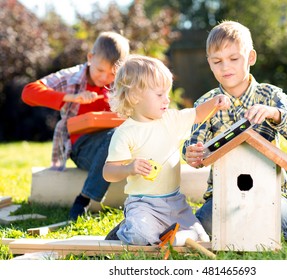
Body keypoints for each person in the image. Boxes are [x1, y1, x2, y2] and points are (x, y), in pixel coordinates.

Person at [182, 20, 287, 241]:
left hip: (272, 193)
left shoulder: (270, 95)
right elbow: (193, 145)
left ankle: (268, 225)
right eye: (217, 61)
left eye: (233, 58)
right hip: (223, 195)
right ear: (209, 64)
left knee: (273, 223)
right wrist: (191, 153)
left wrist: (274, 113)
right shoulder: (206, 103)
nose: (225, 67)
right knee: (203, 229)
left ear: (250, 58)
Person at [102, 54, 231, 245]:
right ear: (135, 96)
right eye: (160, 95)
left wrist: (215, 102)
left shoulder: (170, 119)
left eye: (167, 94)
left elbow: (197, 114)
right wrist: (129, 168)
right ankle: (128, 228)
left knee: (202, 239)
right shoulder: (125, 133)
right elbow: (108, 173)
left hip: (175, 203)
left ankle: (162, 233)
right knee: (141, 236)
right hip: (143, 205)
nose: (167, 99)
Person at [21, 31, 130, 220]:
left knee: (120, 136)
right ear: (90, 58)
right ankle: (84, 200)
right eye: (100, 70)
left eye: (112, 74)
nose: (105, 78)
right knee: (114, 138)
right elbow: (28, 92)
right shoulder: (71, 76)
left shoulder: (122, 82)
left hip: (119, 146)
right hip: (82, 147)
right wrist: (69, 97)